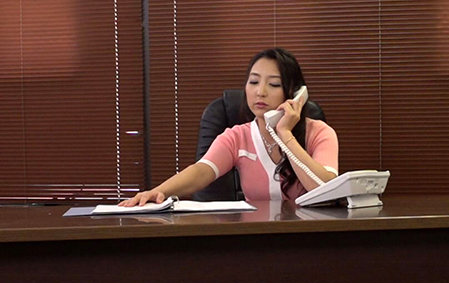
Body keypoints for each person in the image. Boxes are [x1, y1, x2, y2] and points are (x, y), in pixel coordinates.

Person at [120, 48, 338, 206]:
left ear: (295, 93)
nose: (260, 92)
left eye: (273, 84)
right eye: (254, 82)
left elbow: (325, 188)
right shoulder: (237, 137)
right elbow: (201, 171)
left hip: (308, 236)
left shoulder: (319, 133)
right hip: (255, 237)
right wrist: (158, 192)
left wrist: (285, 133)